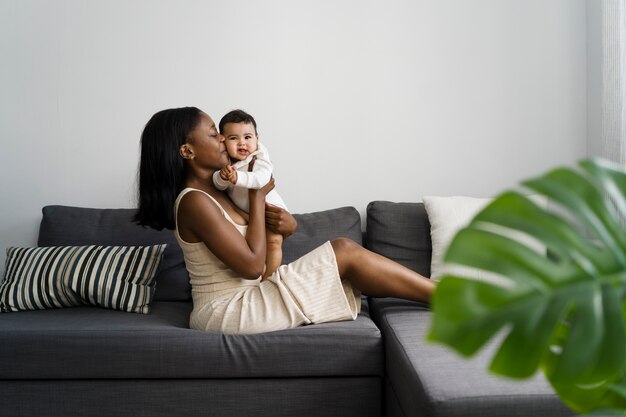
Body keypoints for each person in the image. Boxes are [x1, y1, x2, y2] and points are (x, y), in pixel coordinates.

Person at [135, 107, 435, 335]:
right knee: (343, 250)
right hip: (227, 310)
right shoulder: (194, 201)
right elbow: (252, 266)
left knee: (344, 261)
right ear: (187, 151)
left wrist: (286, 228)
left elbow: (263, 244)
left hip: (249, 293)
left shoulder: (220, 189)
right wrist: (256, 194)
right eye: (214, 134)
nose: (224, 140)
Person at [212, 109, 286, 281]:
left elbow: (262, 180)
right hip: (250, 215)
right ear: (223, 140)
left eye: (247, 137)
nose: (242, 143)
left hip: (271, 211)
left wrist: (238, 177)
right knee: (260, 250)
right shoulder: (224, 161)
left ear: (257, 139)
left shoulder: (259, 156)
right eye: (233, 138)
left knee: (274, 243)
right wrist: (221, 177)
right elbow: (218, 185)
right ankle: (263, 277)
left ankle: (269, 280)